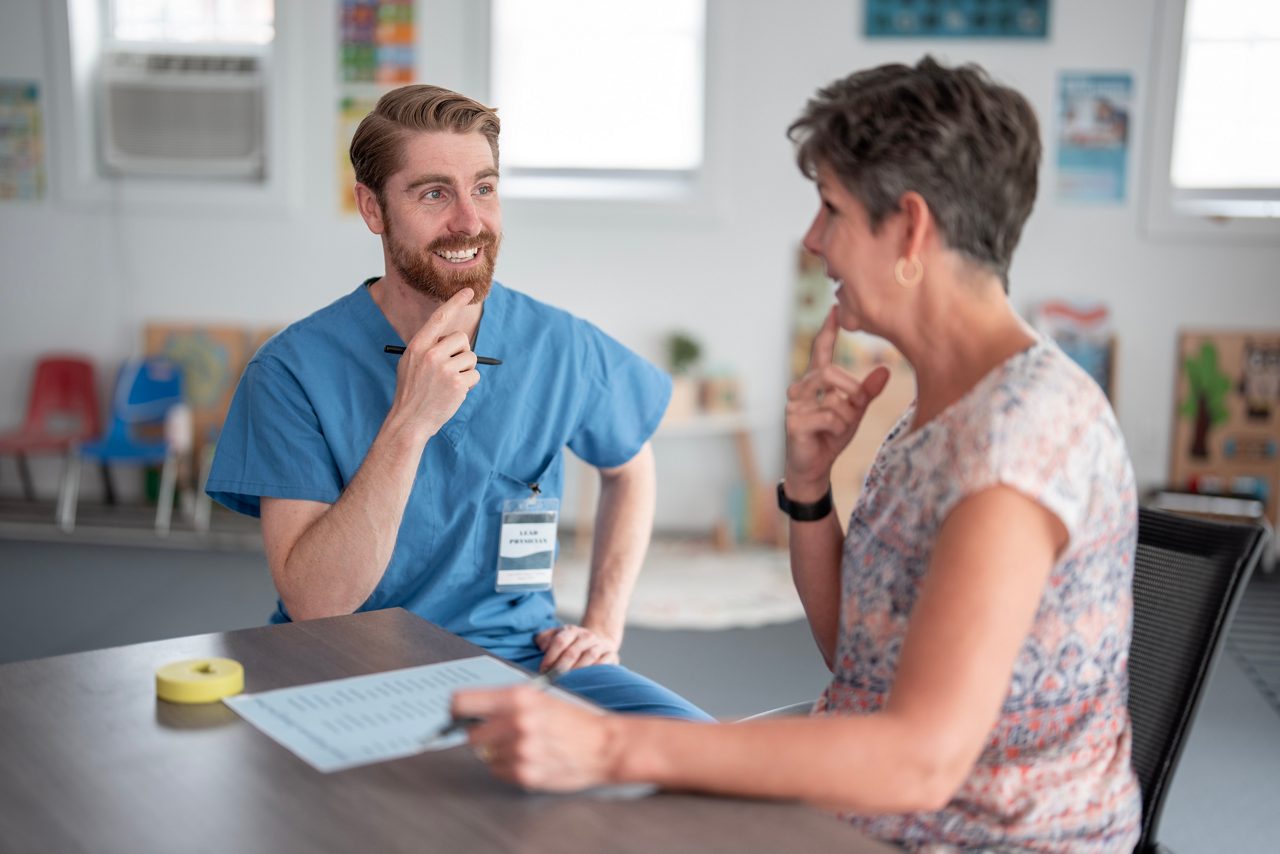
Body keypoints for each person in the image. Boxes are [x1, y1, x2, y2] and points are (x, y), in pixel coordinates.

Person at [453, 57, 1142, 851]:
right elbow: (856, 652)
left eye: (831, 209)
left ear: (911, 227)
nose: (814, 241)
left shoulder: (1018, 440)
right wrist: (809, 488)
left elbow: (921, 761)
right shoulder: (944, 404)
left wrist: (608, 746)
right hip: (884, 805)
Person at [206, 84, 711, 722]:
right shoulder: (292, 372)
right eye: (434, 193)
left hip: (525, 664)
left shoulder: (557, 343)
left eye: (485, 188)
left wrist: (602, 627)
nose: (470, 222)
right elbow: (316, 602)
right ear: (372, 208)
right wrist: (409, 424)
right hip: (350, 667)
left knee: (701, 750)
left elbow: (630, 466)